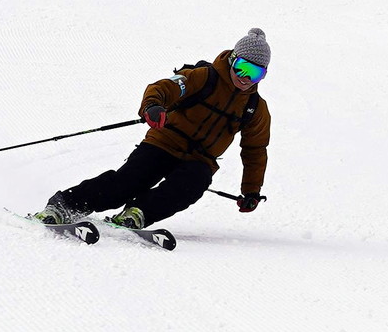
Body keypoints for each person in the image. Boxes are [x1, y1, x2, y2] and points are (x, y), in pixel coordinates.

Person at [34, 28, 272, 229]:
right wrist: (153, 106)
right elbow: (164, 87)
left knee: (193, 184)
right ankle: (65, 205)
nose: (245, 78)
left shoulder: (255, 108)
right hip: (164, 141)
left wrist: (251, 191)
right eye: (242, 67)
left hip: (200, 159)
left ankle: (137, 214)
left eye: (255, 73)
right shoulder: (203, 77)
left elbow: (255, 151)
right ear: (232, 59)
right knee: (130, 181)